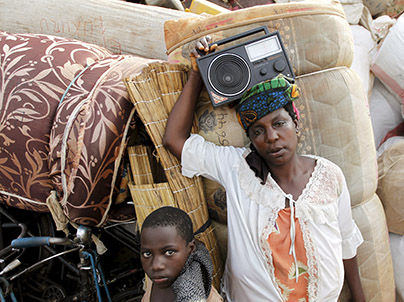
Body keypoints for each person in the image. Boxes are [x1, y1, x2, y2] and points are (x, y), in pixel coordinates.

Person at [163, 36, 366, 301]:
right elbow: (174, 140)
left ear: (296, 122)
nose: (271, 137)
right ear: (251, 139)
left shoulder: (328, 175)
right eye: (258, 131)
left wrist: (360, 298)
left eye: (279, 124)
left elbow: (346, 243)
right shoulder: (237, 169)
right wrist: (196, 75)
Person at [140, 206, 222, 302]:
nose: (156, 266)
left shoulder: (196, 296)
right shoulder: (156, 279)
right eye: (147, 254)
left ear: (191, 248)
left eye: (169, 252)